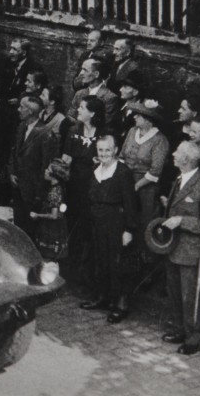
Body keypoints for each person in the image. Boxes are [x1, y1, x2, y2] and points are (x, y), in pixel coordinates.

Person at [159, 141, 200, 355]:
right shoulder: (180, 179)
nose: (173, 154)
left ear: (186, 159)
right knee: (175, 293)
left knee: (191, 298)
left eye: (177, 152)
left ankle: (195, 338)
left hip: (193, 253)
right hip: (174, 248)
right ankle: (180, 330)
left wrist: (182, 221)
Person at [81, 134, 137, 323]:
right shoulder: (96, 170)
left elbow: (130, 203)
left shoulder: (122, 172)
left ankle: (120, 305)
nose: (104, 153)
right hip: (97, 222)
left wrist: (129, 229)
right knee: (100, 260)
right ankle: (102, 297)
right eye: (100, 150)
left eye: (107, 150)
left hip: (116, 223)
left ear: (115, 150)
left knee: (117, 263)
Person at [62, 95, 107, 285]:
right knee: (71, 225)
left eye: (82, 108)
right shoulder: (73, 131)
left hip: (94, 187)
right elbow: (66, 159)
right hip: (74, 187)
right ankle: (70, 270)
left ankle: (86, 272)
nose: (78, 111)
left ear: (93, 113)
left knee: (89, 229)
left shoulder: (104, 135)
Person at [120, 99, 170, 265]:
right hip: (126, 181)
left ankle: (145, 260)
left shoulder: (159, 140)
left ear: (149, 120)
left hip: (146, 187)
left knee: (145, 220)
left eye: (139, 116)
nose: (135, 117)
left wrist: (136, 185)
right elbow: (122, 156)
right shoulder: (131, 131)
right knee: (125, 216)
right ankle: (126, 254)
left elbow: (156, 170)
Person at [8, 95, 57, 238]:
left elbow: (46, 166)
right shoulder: (21, 127)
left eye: (21, 107)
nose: (18, 109)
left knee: (29, 231)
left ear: (29, 111)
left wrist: (39, 195)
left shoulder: (46, 134)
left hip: (32, 193)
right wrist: (11, 172)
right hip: (18, 187)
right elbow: (14, 151)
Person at [30, 158, 69, 262]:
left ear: (53, 175)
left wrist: (37, 215)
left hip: (51, 229)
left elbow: (54, 215)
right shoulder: (58, 187)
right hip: (56, 228)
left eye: (48, 170)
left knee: (48, 258)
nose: (45, 171)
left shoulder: (54, 192)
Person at [68, 58, 118, 125]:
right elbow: (70, 116)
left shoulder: (110, 97)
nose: (81, 73)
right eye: (81, 69)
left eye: (85, 70)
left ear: (96, 74)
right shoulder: (79, 94)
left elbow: (105, 122)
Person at [3, 38, 42, 104]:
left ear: (24, 53)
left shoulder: (34, 67)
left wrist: (19, 99)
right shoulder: (8, 61)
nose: (10, 52)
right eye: (11, 48)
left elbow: (37, 91)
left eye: (14, 49)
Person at [113, 70, 145, 143]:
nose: (120, 89)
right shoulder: (119, 105)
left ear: (135, 92)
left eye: (125, 87)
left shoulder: (141, 112)